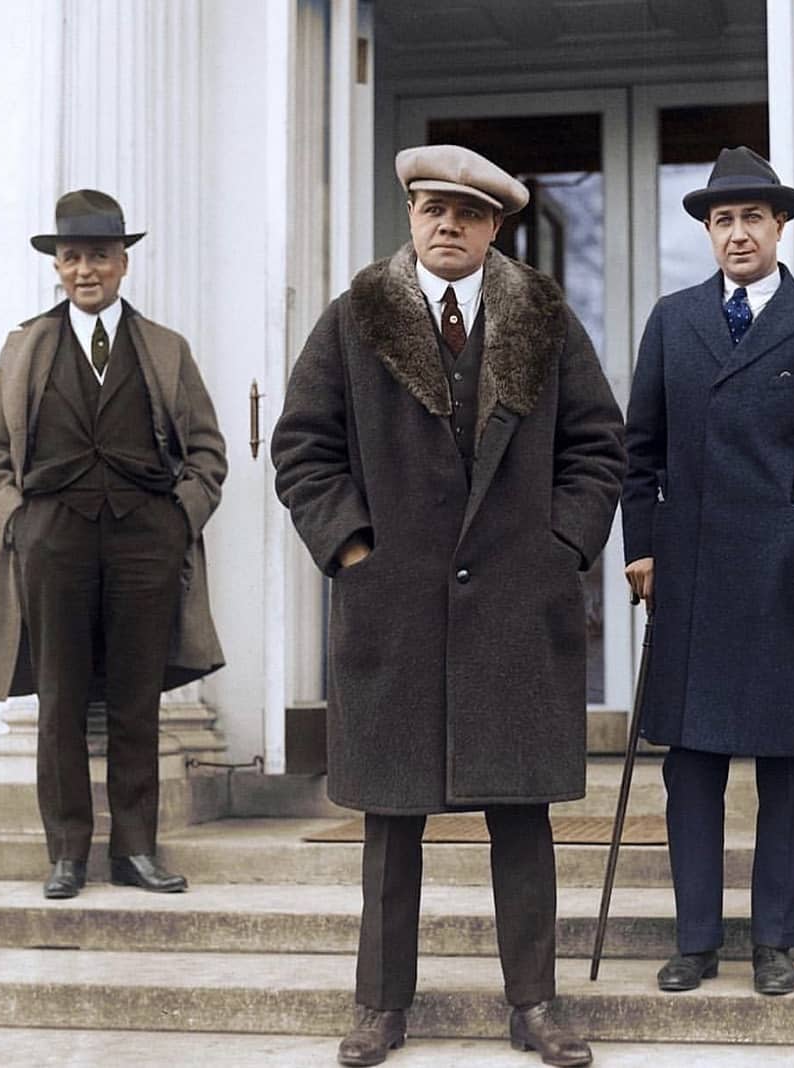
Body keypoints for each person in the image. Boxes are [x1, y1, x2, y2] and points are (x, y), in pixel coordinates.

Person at [271, 144, 624, 1067]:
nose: (448, 226)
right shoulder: (357, 316)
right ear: (413, 216)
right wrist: (352, 548)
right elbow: (303, 445)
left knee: (523, 816)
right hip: (392, 608)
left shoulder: (542, 318)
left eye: (468, 215)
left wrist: (563, 548)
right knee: (391, 825)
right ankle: (381, 1007)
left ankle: (536, 1006)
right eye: (433, 209)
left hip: (516, 606)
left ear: (495, 227)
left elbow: (597, 446)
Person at [622, 147, 794, 997]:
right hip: (690, 575)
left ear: (780, 227)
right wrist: (642, 548)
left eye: (753, 219)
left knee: (785, 763)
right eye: (722, 220)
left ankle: (774, 937)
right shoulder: (672, 320)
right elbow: (639, 452)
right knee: (690, 766)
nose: (738, 234)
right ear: (708, 231)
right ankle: (695, 938)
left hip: (785, 576)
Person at [0, 189, 226, 899]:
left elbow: (207, 450)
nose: (86, 270)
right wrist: (14, 523)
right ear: (57, 266)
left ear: (123, 263)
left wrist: (180, 517)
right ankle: (65, 853)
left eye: (100, 257)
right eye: (72, 258)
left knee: (134, 699)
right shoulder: (23, 347)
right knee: (58, 698)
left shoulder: (165, 349)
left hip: (145, 540)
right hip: (50, 541)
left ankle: (136, 850)